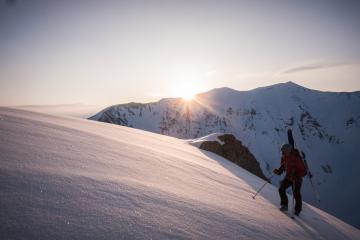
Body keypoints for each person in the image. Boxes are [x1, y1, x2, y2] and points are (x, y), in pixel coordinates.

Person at [273, 144, 307, 216]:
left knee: (296, 193)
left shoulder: (296, 158)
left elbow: (304, 171)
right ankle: (284, 205)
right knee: (281, 189)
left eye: (284, 151)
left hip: (296, 179)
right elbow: (283, 166)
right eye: (282, 151)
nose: (282, 153)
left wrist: (296, 175)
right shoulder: (285, 157)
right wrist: (278, 171)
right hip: (288, 177)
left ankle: (297, 210)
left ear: (288, 151)